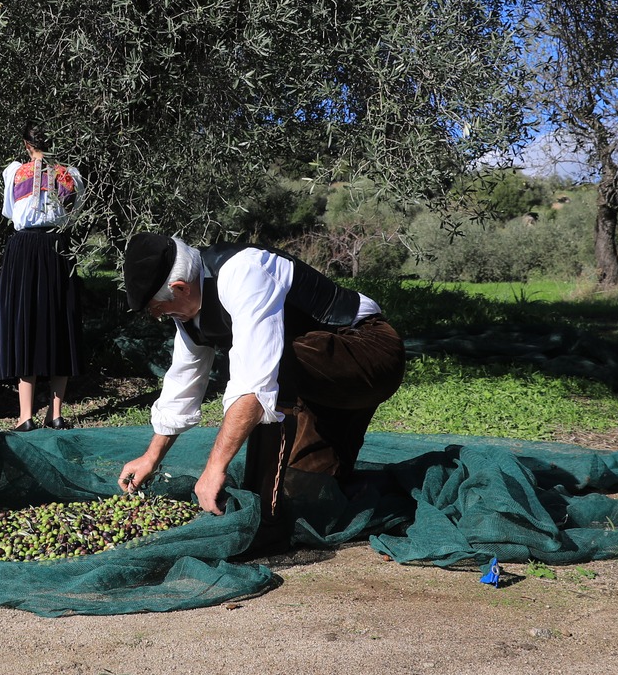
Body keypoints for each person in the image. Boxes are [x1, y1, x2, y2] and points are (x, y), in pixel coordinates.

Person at [114, 233, 405, 550]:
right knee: (307, 495)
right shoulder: (189, 312)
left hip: (369, 354)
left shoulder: (244, 272)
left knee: (265, 366)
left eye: (160, 308)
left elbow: (255, 386)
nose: (160, 317)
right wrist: (151, 457)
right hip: (318, 387)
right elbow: (183, 383)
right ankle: (337, 487)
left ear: (181, 288)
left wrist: (214, 470)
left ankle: (265, 520)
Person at [0, 128, 85, 430]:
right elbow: (75, 212)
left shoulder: (13, 172)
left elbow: (10, 213)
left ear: (26, 144)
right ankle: (55, 413)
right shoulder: (70, 174)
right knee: (61, 322)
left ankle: (25, 416)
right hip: (58, 247)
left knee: (25, 322)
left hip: (23, 249)